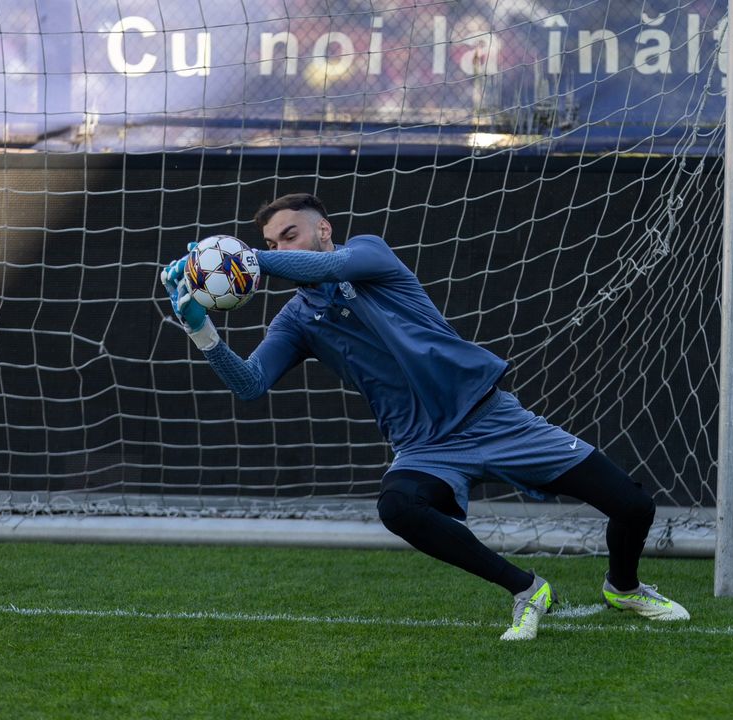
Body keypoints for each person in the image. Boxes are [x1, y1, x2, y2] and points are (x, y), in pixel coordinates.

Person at [160, 193, 689, 640]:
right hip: (425, 448)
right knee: (397, 506)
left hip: (491, 418)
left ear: (324, 229)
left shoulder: (367, 254)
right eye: (272, 244)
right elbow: (251, 384)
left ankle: (624, 588)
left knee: (633, 506)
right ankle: (527, 590)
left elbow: (326, 267)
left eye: (288, 236)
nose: (278, 250)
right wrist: (201, 330)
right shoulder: (296, 320)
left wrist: (245, 259)